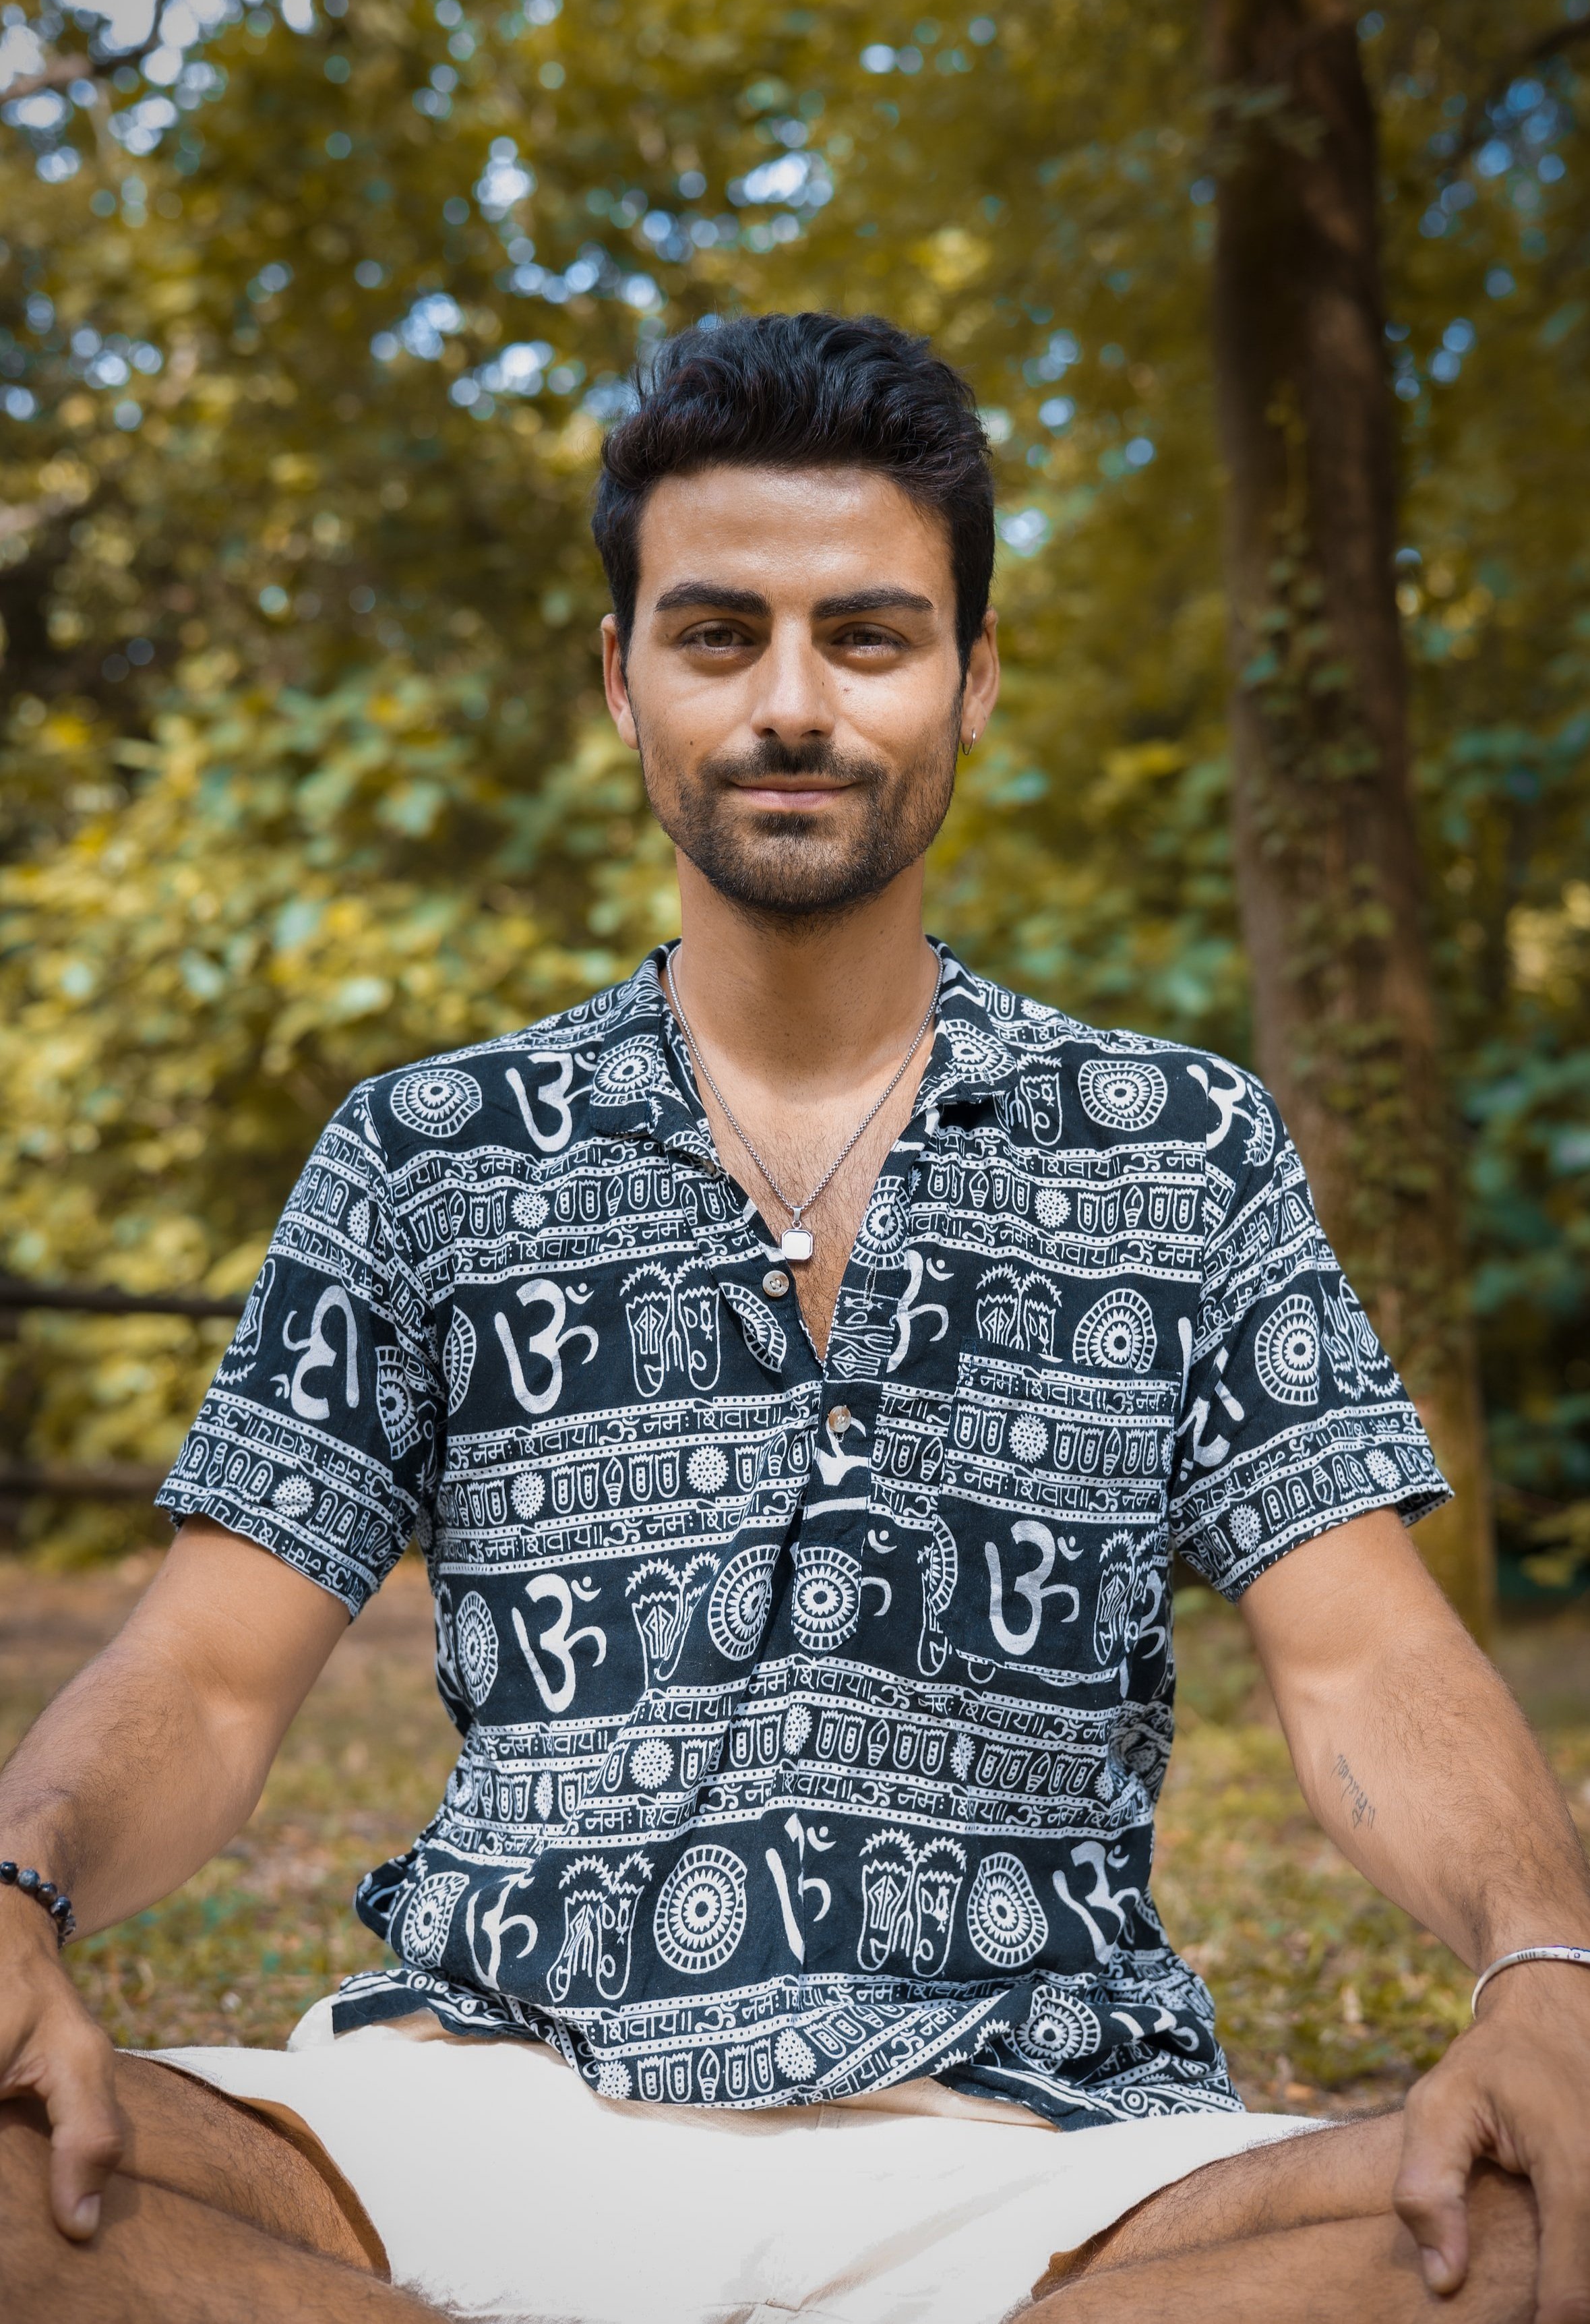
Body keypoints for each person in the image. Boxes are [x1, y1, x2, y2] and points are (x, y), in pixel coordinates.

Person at [1, 313, 1586, 2324]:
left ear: (974, 677)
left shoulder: (1181, 1145)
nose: (790, 702)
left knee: (1535, 2229)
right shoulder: (430, 1152)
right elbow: (209, 1679)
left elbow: (1366, 1660)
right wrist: (16, 1881)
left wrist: (1550, 1969)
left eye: (868, 634)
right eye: (718, 629)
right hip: (475, 2112)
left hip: (1044, 2172)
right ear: (621, 677)